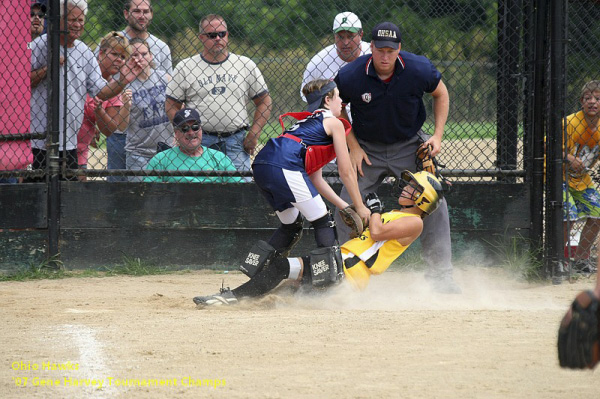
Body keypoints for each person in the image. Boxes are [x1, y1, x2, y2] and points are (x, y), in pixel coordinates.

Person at [331, 21, 460, 294]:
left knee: (433, 203)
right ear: (371, 48)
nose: (385, 56)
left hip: (409, 145)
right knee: (345, 203)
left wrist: (436, 136)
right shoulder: (352, 73)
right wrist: (352, 145)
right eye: (380, 49)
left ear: (399, 49)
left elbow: (441, 93)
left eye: (391, 50)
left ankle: (441, 276)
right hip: (367, 149)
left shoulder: (418, 68)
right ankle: (342, 271)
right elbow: (336, 106)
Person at [193, 170, 444, 306]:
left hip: (348, 271)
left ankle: (231, 298)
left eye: (413, 188)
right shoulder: (397, 215)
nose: (405, 188)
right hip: (343, 265)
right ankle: (242, 299)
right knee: (290, 290)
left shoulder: (414, 222)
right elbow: (372, 239)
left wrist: (375, 209)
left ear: (423, 199)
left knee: (281, 268)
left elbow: (377, 232)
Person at [28, 0, 141, 181]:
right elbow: (22, 84)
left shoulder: (84, 51)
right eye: (73, 19)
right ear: (59, 20)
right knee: (35, 194)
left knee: (66, 197)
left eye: (81, 20)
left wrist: (122, 81)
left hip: (69, 143)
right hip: (37, 141)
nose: (78, 24)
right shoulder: (40, 45)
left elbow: (101, 91)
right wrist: (48, 68)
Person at [165, 14, 272, 180]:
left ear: (227, 35)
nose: (218, 38)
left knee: (239, 191)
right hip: (200, 139)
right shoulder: (186, 67)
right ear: (201, 37)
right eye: (212, 35)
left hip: (236, 140)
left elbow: (264, 101)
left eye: (222, 34)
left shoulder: (245, 65)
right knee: (199, 190)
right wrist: (184, 130)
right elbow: (171, 105)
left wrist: (254, 134)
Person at [104, 0, 172, 182]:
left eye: (146, 11)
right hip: (121, 132)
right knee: (119, 185)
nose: (142, 15)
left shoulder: (161, 48)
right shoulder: (113, 40)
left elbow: (171, 93)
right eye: (136, 11)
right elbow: (100, 79)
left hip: (156, 133)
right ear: (126, 13)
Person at [76, 31, 133, 178]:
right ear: (101, 53)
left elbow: (109, 129)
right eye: (114, 54)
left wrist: (99, 111)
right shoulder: (82, 72)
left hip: (80, 151)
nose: (119, 60)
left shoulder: (115, 88)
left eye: (123, 57)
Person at [144, 108, 243, 183]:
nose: (191, 132)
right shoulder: (161, 159)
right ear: (176, 133)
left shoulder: (220, 158)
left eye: (195, 127)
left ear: (201, 129)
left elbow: (239, 188)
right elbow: (149, 192)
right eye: (185, 128)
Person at [563, 80, 600, 275]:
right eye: (588, 98)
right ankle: (558, 259)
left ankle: (581, 260)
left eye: (597, 98)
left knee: (597, 214)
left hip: (582, 180)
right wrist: (569, 158)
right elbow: (548, 147)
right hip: (559, 177)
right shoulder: (570, 123)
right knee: (568, 214)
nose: (593, 102)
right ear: (581, 102)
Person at [123, 38, 173, 181]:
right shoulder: (126, 84)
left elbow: (179, 108)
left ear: (151, 56)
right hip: (138, 152)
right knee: (140, 197)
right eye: (134, 55)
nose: (140, 58)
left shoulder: (165, 78)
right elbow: (121, 126)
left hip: (166, 149)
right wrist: (126, 105)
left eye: (144, 54)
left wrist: (177, 135)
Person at [300, 12, 370, 102]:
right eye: (340, 37)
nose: (346, 43)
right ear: (334, 36)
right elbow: (306, 94)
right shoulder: (319, 62)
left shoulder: (373, 55)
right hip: (333, 114)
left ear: (361, 35)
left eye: (350, 37)